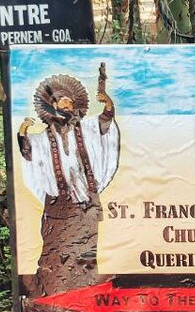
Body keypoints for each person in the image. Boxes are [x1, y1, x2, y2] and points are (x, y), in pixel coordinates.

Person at [17, 63, 120, 299]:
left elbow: (104, 123)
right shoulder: (44, 138)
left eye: (70, 103)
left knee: (86, 249)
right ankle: (53, 296)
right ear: (52, 107)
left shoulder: (87, 129)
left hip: (85, 201)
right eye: (61, 103)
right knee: (55, 250)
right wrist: (22, 131)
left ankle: (83, 296)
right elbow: (28, 151)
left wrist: (108, 104)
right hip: (57, 206)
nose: (66, 106)